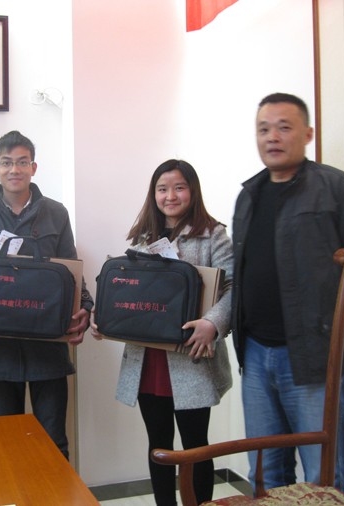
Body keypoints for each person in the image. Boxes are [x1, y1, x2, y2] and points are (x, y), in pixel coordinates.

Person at [231, 92, 344, 494]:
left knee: (323, 480)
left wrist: (333, 333)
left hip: (313, 358)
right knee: (265, 475)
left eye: (284, 127)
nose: (272, 137)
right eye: (264, 129)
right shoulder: (249, 195)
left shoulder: (337, 188)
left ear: (308, 134)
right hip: (256, 356)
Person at [0, 130, 93, 459]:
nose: (15, 169)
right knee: (7, 442)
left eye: (23, 162)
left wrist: (85, 306)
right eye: (7, 162)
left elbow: (71, 272)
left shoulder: (56, 213)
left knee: (54, 441)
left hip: (47, 346)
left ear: (34, 168)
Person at [93, 159, 234, 506]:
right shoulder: (142, 238)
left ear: (192, 191)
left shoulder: (213, 234)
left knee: (196, 446)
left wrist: (213, 324)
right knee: (158, 446)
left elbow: (234, 287)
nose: (170, 196)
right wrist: (105, 320)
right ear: (153, 194)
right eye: (162, 189)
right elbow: (127, 291)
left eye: (179, 187)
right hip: (148, 360)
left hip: (192, 357)